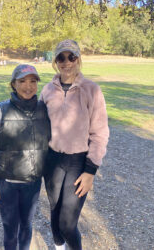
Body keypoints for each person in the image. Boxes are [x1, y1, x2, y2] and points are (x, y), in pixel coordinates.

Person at [40, 39, 109, 250]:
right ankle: (59, 247)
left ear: (78, 59)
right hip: (51, 160)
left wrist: (90, 171)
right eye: (61, 57)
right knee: (54, 209)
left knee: (67, 223)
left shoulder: (92, 90)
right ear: (55, 61)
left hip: (78, 162)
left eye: (71, 57)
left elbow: (100, 133)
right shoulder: (47, 91)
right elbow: (38, 126)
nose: (66, 62)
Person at [0, 64, 51, 250]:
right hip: (7, 184)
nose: (28, 86)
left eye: (32, 81)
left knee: (27, 226)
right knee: (10, 228)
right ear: (13, 84)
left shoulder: (44, 110)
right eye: (22, 81)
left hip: (33, 183)